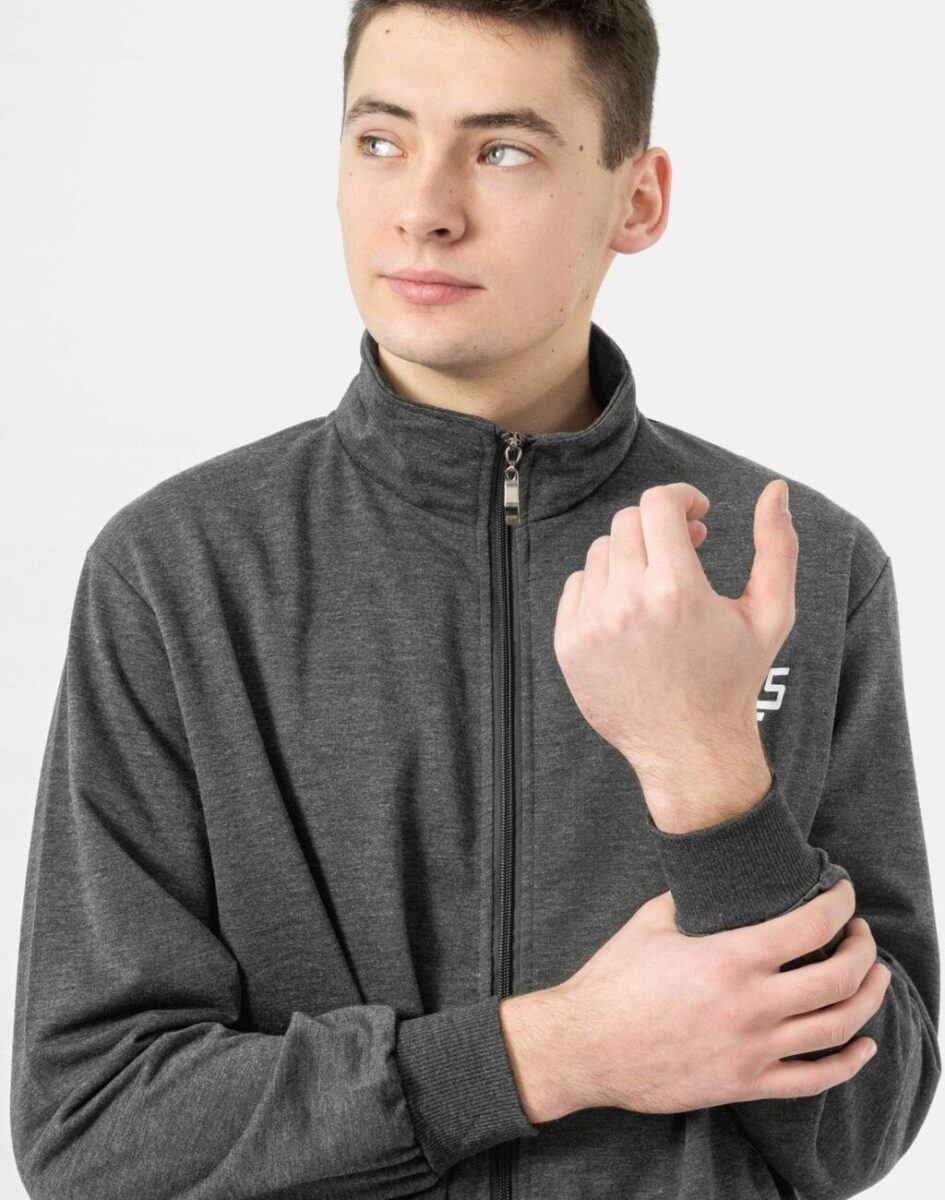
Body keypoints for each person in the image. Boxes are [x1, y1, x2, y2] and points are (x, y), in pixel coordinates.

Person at [11, 3, 940, 1198]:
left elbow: (860, 1128)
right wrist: (556, 1053)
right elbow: (92, 1132)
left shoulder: (801, 565)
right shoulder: (176, 574)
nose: (424, 208)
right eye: (381, 141)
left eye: (502, 150)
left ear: (638, 199)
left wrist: (707, 771)